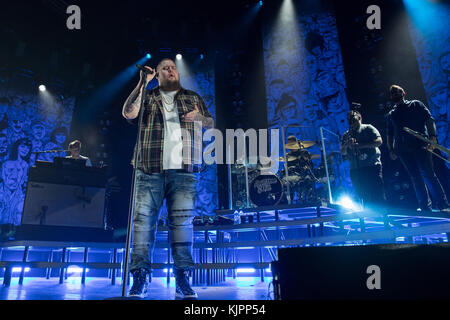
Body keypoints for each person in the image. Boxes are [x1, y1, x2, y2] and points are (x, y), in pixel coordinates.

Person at [122, 58, 214, 299]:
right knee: (142, 225)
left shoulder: (192, 97)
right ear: (158, 75)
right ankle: (140, 277)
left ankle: (183, 277)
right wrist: (143, 82)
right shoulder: (149, 96)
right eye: (166, 68)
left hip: (184, 170)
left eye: (173, 67)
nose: (171, 70)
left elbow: (210, 122)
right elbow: (128, 112)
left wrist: (200, 119)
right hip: (149, 168)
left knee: (183, 226)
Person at [386, 84, 449, 212]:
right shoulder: (392, 114)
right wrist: (391, 150)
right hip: (403, 150)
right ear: (391, 97)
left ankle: (442, 204)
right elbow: (390, 135)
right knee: (415, 177)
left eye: (397, 92)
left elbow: (429, 120)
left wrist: (432, 137)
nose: (395, 94)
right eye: (393, 93)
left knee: (429, 174)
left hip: (420, 146)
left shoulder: (416, 104)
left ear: (403, 92)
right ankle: (425, 207)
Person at [340, 110, 385, 209]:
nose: (350, 121)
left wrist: (360, 145)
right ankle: (369, 217)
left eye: (353, 119)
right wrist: (347, 144)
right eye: (348, 119)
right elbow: (342, 152)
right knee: (362, 194)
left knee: (377, 192)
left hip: (372, 166)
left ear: (359, 118)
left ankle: (383, 216)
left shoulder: (368, 128)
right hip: (356, 169)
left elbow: (379, 141)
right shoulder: (346, 135)